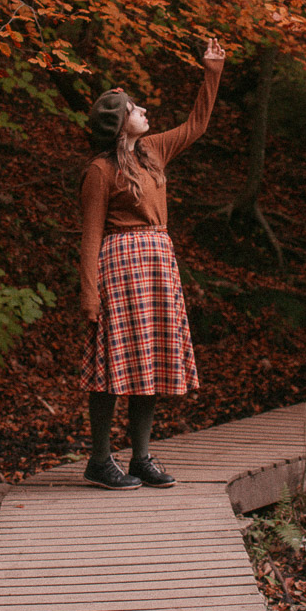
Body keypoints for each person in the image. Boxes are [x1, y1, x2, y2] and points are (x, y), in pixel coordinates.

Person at [79, 39, 227, 489]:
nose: (143, 110)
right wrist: (89, 295)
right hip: (119, 268)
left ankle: (141, 457)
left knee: (150, 361)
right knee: (112, 365)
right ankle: (100, 460)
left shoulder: (154, 152)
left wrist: (212, 72)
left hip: (157, 264)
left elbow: (197, 124)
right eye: (134, 108)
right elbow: (89, 234)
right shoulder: (100, 171)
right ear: (119, 123)